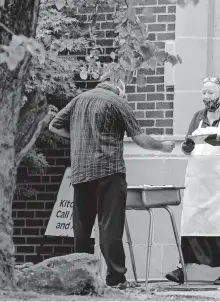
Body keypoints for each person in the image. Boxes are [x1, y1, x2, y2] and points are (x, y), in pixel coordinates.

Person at [49, 78, 175, 288]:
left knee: (82, 229)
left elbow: (54, 126)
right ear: (119, 85)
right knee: (110, 227)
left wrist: (80, 136)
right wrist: (162, 146)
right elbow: (141, 139)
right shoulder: (118, 102)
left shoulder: (79, 99)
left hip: (81, 172)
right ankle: (116, 279)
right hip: (109, 171)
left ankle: (83, 279)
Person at [165, 77, 220, 286]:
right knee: (194, 220)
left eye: (210, 93)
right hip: (202, 183)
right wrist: (187, 147)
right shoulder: (198, 117)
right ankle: (182, 268)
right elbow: (189, 144)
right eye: (203, 93)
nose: (206, 97)